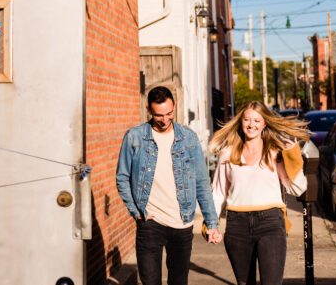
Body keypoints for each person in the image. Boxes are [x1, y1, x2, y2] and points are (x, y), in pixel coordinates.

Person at [116, 86, 221, 285]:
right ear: (148, 109)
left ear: (174, 106)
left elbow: (201, 183)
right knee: (150, 281)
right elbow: (122, 177)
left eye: (169, 113)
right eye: (159, 115)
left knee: (179, 281)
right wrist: (136, 211)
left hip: (182, 222)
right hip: (150, 221)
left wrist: (212, 223)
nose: (165, 120)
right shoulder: (134, 137)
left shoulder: (188, 138)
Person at [209, 101, 309, 285]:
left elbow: (297, 188)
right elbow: (217, 193)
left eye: (257, 120)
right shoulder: (227, 154)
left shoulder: (274, 152)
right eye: (247, 119)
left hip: (270, 222)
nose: (251, 124)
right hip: (237, 225)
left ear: (264, 124)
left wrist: (293, 156)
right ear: (240, 122)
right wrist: (211, 225)